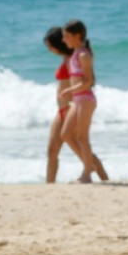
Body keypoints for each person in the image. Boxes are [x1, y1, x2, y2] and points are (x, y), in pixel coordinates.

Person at [59, 19, 108, 183]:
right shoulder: (75, 53)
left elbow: (89, 81)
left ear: (77, 36)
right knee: (65, 134)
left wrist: (69, 90)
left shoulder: (83, 54)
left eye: (66, 36)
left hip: (85, 99)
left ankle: (86, 174)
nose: (63, 40)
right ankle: (89, 166)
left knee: (82, 137)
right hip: (77, 100)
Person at [43, 27, 75, 184]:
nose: (49, 50)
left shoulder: (72, 60)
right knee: (52, 150)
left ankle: (103, 177)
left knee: (82, 150)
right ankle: (49, 185)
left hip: (70, 110)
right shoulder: (65, 59)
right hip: (61, 110)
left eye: (50, 46)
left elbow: (81, 84)